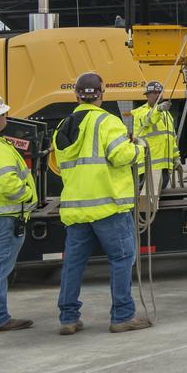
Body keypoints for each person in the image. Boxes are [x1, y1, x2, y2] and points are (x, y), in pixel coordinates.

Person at [54, 72, 151, 334]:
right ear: (101, 93)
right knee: (121, 259)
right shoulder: (108, 122)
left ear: (76, 95)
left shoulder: (63, 126)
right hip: (108, 206)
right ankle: (122, 316)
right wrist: (138, 147)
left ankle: (68, 319)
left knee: (73, 264)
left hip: (75, 209)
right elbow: (121, 156)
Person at [0, 94, 37, 332]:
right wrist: (27, 196)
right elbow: (6, 183)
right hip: (5, 217)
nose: (5, 117)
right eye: (2, 114)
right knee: (0, 267)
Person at [132, 80, 179, 191]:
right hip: (149, 167)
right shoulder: (140, 112)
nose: (158, 95)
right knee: (148, 200)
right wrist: (158, 109)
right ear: (147, 95)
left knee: (158, 200)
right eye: (154, 92)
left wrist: (176, 157)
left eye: (160, 92)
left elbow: (171, 139)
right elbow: (147, 120)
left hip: (164, 166)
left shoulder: (167, 115)